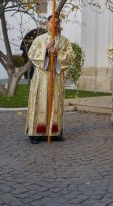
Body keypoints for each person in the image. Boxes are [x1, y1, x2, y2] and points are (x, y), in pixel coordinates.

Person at [26, 14, 74, 144]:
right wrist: (45, 49)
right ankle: (36, 133)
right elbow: (31, 54)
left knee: (55, 102)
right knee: (40, 101)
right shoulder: (39, 39)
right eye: (52, 22)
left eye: (57, 22)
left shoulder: (64, 41)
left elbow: (70, 57)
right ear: (47, 24)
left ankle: (54, 132)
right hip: (42, 76)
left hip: (56, 76)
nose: (55, 25)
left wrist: (58, 53)